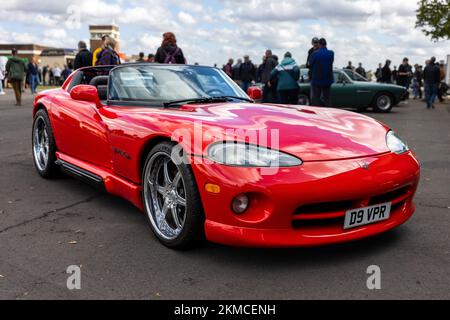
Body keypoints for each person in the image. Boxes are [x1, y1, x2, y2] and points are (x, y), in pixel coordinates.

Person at [310, 38, 334, 107]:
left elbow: (310, 64)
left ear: (319, 44)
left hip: (317, 79)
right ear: (326, 44)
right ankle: (328, 113)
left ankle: (318, 114)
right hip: (328, 79)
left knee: (316, 98)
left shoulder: (315, 54)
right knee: (327, 98)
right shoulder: (331, 53)